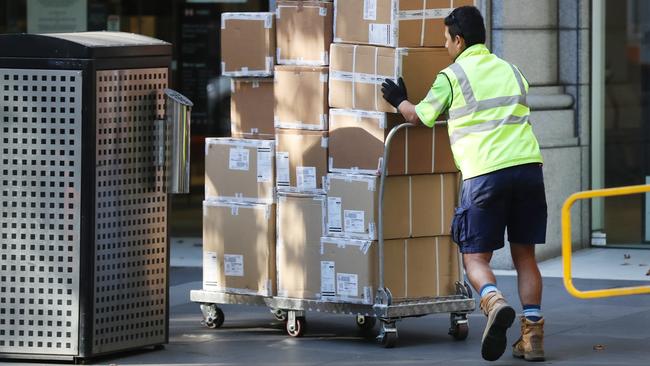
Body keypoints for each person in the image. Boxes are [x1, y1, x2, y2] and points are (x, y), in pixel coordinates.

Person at [381, 5, 547, 363]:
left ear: (459, 39)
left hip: (486, 173)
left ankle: (493, 301)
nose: (444, 47)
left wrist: (398, 100)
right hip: (529, 169)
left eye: (445, 40)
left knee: (475, 257)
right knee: (525, 256)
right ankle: (532, 337)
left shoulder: (453, 76)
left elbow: (420, 117)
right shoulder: (511, 69)